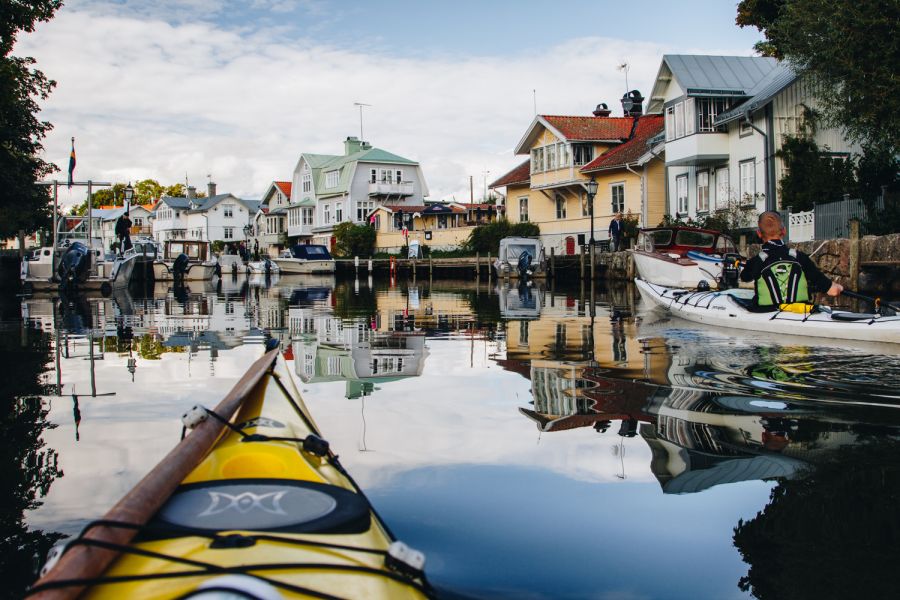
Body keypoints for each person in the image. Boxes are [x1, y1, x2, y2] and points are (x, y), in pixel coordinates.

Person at [740, 211, 843, 310]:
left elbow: (745, 277)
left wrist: (749, 266)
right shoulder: (800, 258)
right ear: (784, 231)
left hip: (766, 313)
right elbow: (833, 291)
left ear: (759, 233)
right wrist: (839, 287)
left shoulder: (756, 261)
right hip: (799, 314)